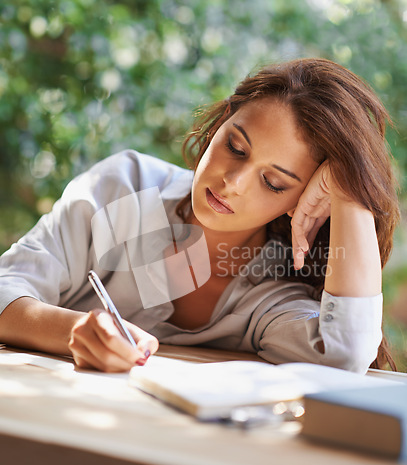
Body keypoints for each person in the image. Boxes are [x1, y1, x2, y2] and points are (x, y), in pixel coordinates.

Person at [0, 58, 399, 373]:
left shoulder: (275, 292)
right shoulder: (124, 189)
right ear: (218, 127)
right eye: (236, 147)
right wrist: (73, 331)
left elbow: (342, 354)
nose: (234, 181)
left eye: (273, 182)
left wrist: (350, 190)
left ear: (303, 201)